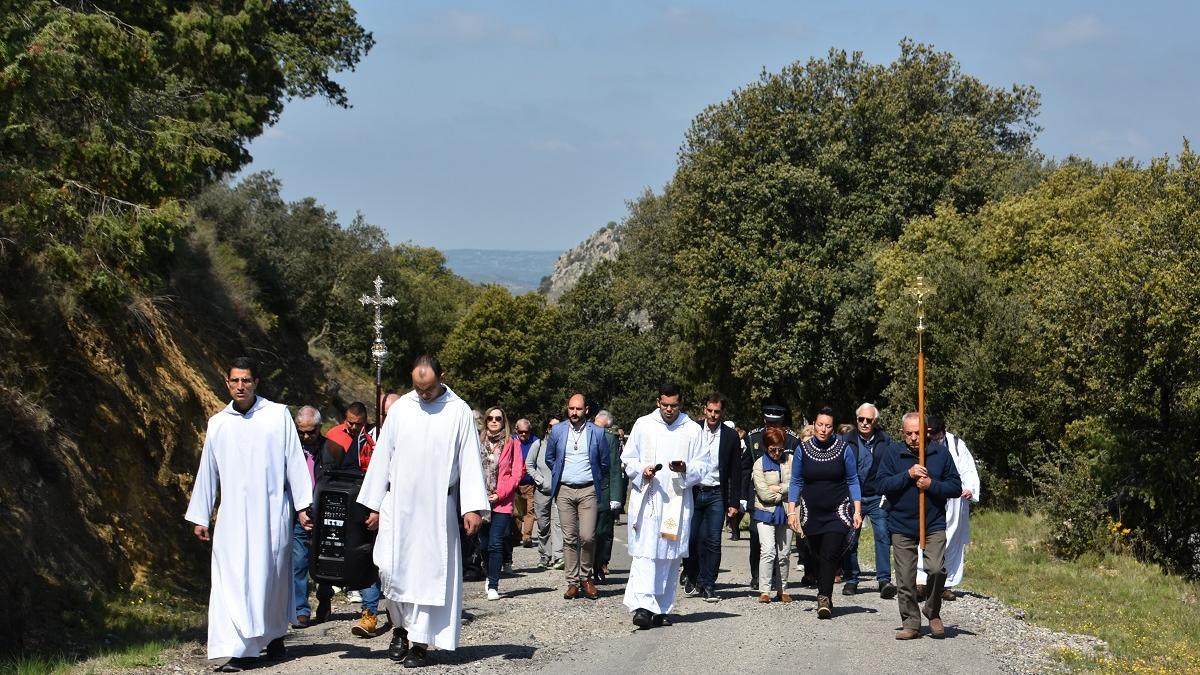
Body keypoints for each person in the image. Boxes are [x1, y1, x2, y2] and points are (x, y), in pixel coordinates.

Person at [358, 355, 489, 667]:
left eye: (429, 388)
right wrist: (373, 504)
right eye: (418, 388)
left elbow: (469, 460)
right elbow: (382, 459)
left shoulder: (458, 411)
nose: (424, 394)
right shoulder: (402, 408)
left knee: (428, 575)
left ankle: (419, 642)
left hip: (436, 508)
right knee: (393, 569)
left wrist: (471, 507)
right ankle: (399, 629)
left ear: (441, 376)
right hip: (399, 506)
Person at [185, 357, 313, 671]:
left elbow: (294, 462)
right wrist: (202, 514)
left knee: (269, 577)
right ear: (227, 384)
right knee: (230, 579)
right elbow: (208, 471)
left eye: (246, 380)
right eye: (234, 381)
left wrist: (302, 507)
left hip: (270, 514)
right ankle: (237, 649)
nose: (240, 386)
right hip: (231, 518)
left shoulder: (277, 416)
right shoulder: (219, 423)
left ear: (256, 382)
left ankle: (272, 636)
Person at [621, 383, 710, 629]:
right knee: (646, 553)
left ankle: (661, 609)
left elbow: (703, 465)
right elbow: (628, 459)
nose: (669, 410)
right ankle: (643, 607)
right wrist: (642, 470)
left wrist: (686, 469)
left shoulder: (692, 429)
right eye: (665, 405)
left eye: (674, 405)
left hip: (676, 502)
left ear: (681, 404)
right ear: (658, 401)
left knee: (669, 556)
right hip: (649, 500)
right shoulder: (643, 424)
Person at [876, 412, 963, 640]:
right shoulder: (894, 453)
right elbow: (881, 484)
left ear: (925, 431)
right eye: (908, 433)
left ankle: (932, 612)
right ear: (902, 433)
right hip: (901, 524)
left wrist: (931, 484)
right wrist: (908, 474)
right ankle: (911, 622)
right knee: (905, 577)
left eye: (917, 433)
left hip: (933, 523)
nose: (913, 438)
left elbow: (955, 487)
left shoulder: (939, 453)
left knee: (936, 569)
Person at [315, 402, 385, 636]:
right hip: (347, 506)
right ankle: (333, 603)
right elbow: (336, 474)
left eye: (358, 424)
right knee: (341, 554)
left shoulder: (379, 439)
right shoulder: (344, 439)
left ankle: (377, 613)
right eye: (350, 423)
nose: (353, 428)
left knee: (372, 559)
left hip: (374, 507)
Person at [786, 407, 862, 620]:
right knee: (817, 554)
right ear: (814, 423)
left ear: (832, 427)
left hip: (838, 510)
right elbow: (796, 481)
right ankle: (824, 586)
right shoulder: (803, 448)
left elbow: (853, 480)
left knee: (830, 553)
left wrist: (857, 509)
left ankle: (824, 597)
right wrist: (792, 512)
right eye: (820, 425)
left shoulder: (843, 448)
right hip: (812, 511)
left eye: (828, 426)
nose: (823, 429)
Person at [544, 394, 610, 600]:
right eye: (571, 408)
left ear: (586, 410)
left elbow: (605, 462)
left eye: (578, 409)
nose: (574, 413)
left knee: (588, 536)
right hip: (564, 490)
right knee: (570, 538)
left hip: (588, 489)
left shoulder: (598, 433)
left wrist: (593, 477)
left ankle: (586, 578)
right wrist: (560, 474)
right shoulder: (558, 430)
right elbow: (550, 458)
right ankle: (572, 582)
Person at [681, 393, 742, 602]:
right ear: (704, 409)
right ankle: (692, 574)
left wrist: (734, 502)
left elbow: (736, 472)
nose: (713, 415)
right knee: (691, 539)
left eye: (717, 412)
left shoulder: (731, 436)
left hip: (717, 492)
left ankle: (709, 584)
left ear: (722, 413)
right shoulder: (693, 429)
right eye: (710, 411)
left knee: (713, 541)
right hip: (695, 490)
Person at [917, 416, 981, 601]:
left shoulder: (956, 444)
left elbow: (968, 469)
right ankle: (921, 581)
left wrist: (970, 488)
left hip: (954, 499)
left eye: (936, 435)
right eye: (930, 435)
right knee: (924, 537)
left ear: (942, 432)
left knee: (952, 541)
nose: (933, 439)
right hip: (929, 496)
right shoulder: (921, 445)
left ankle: (947, 584)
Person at [840, 403, 897, 599]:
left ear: (875, 421)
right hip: (852, 497)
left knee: (882, 535)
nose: (864, 423)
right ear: (856, 420)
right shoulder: (845, 440)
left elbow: (893, 466)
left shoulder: (886, 440)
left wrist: (888, 491)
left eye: (869, 420)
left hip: (877, 497)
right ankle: (852, 579)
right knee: (850, 538)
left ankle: (884, 580)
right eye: (861, 419)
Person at [741, 404, 801, 591]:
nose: (773, 427)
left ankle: (777, 578)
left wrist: (781, 490)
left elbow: (797, 476)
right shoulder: (754, 438)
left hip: (783, 502)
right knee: (757, 537)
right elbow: (745, 469)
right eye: (769, 424)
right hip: (758, 496)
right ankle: (757, 576)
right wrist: (742, 498)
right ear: (764, 422)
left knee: (781, 545)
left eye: (777, 424)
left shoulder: (792, 441)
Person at [477, 407, 525, 601]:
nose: (494, 421)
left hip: (502, 502)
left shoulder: (511, 443)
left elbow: (517, 472)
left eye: (498, 418)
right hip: (480, 500)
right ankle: (488, 572)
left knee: (496, 543)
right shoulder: (477, 441)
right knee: (484, 544)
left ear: (504, 421)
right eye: (490, 418)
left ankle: (494, 583)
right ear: (486, 421)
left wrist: (501, 493)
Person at [752, 427, 794, 603]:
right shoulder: (759, 464)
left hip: (786, 512)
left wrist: (779, 489)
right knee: (768, 551)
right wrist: (784, 491)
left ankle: (782, 589)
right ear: (765, 447)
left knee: (784, 553)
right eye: (772, 449)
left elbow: (797, 484)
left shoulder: (790, 461)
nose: (777, 453)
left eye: (780, 449)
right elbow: (763, 494)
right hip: (765, 512)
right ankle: (765, 590)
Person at [291, 406, 324, 629]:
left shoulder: (331, 449)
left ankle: (325, 600)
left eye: (310, 432)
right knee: (299, 562)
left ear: (319, 428)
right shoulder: (290, 450)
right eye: (301, 431)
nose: (306, 437)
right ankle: (300, 609)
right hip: (297, 514)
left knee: (324, 563)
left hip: (323, 512)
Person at [592, 410, 627, 582]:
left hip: (603, 492)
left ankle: (598, 565)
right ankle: (582, 572)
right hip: (583, 490)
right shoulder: (583, 435)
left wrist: (615, 497)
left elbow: (615, 468)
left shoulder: (610, 439)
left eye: (602, 426)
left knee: (601, 532)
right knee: (582, 534)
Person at [526, 415, 564, 569]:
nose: (555, 430)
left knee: (559, 524)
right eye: (552, 426)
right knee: (543, 525)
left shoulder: (564, 445)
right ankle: (544, 556)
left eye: (558, 426)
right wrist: (539, 480)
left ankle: (559, 556)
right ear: (547, 428)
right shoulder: (539, 444)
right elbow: (529, 464)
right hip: (542, 491)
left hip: (559, 491)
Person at [513, 419, 538, 549]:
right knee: (516, 512)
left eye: (526, 432)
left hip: (530, 483)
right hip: (515, 483)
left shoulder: (535, 442)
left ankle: (527, 536)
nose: (523, 434)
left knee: (530, 510)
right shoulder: (511, 441)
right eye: (520, 432)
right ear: (516, 430)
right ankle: (517, 536)